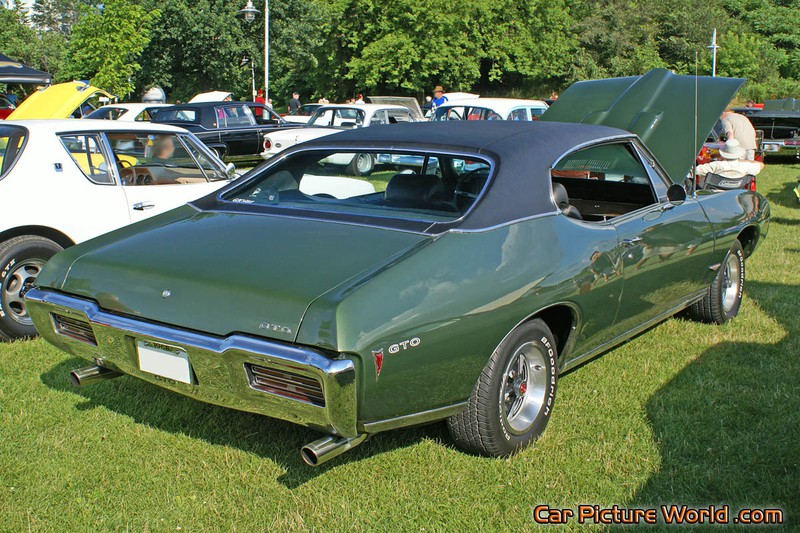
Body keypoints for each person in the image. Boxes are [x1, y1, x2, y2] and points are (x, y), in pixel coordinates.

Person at [695, 139, 764, 187]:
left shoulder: (716, 165)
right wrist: (742, 161)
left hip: (714, 195)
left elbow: (696, 170)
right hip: (736, 193)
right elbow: (761, 165)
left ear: (724, 153)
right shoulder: (745, 166)